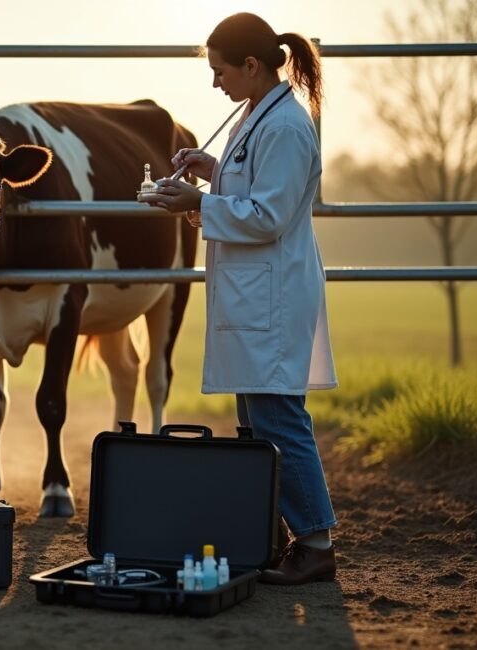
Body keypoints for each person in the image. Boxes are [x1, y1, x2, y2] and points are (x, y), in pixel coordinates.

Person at [139, 12, 339, 585]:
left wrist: (193, 205)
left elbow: (270, 214)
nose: (215, 82)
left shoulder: (286, 127)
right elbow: (252, 191)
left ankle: (317, 541)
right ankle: (275, 533)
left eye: (220, 69)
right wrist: (213, 171)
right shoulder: (256, 115)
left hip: (271, 297)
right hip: (255, 295)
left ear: (252, 65)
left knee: (279, 416)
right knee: (256, 421)